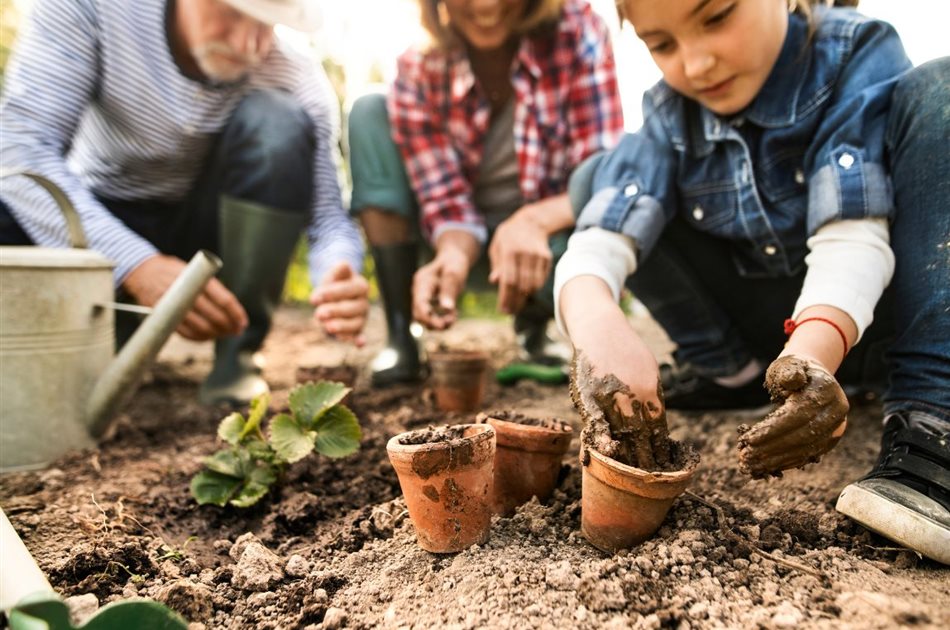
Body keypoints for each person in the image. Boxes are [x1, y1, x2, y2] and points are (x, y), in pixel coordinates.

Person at [555, 0, 949, 563]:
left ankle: (932, 420)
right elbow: (599, 240)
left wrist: (811, 354)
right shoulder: (670, 112)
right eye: (661, 44)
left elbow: (853, 237)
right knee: (599, 179)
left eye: (716, 17)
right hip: (774, 342)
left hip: (877, 323)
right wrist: (597, 326)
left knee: (942, 88)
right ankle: (734, 374)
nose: (695, 62)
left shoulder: (853, 55)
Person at [0, 0, 369, 406]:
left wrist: (338, 271)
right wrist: (137, 265)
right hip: (100, 222)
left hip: (208, 237)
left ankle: (237, 354)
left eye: (268, 24)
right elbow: (20, 149)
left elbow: (328, 219)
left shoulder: (293, 73)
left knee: (279, 121)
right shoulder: (90, 8)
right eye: (232, 13)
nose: (249, 44)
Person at [347, 0, 624, 386]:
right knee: (369, 110)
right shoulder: (418, 67)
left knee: (610, 221)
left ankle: (536, 324)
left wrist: (533, 221)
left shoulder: (578, 29)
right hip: (460, 246)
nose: (486, 4)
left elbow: (601, 174)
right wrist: (454, 253)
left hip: (549, 245)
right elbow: (444, 200)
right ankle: (400, 330)